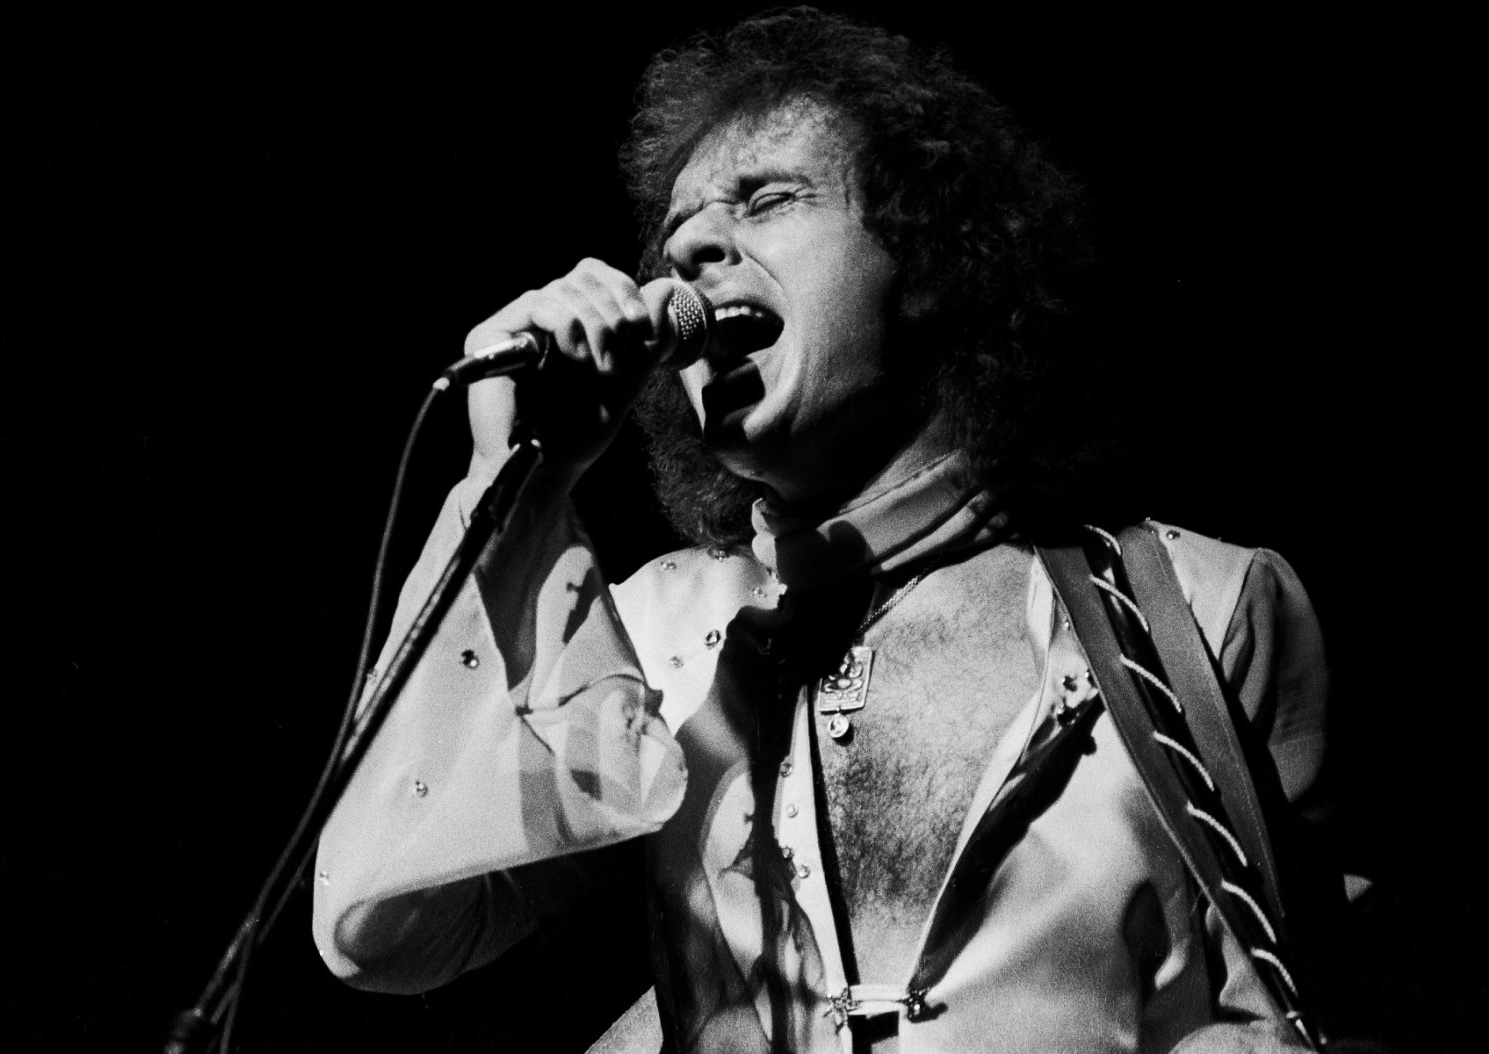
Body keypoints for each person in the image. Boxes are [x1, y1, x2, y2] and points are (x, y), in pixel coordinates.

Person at [311, 9, 1344, 1052]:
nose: (693, 254)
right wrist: (519, 486)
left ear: (935, 255)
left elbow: (1287, 1014)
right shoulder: (658, 633)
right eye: (678, 241)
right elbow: (383, 929)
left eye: (767, 200)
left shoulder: (1203, 608)